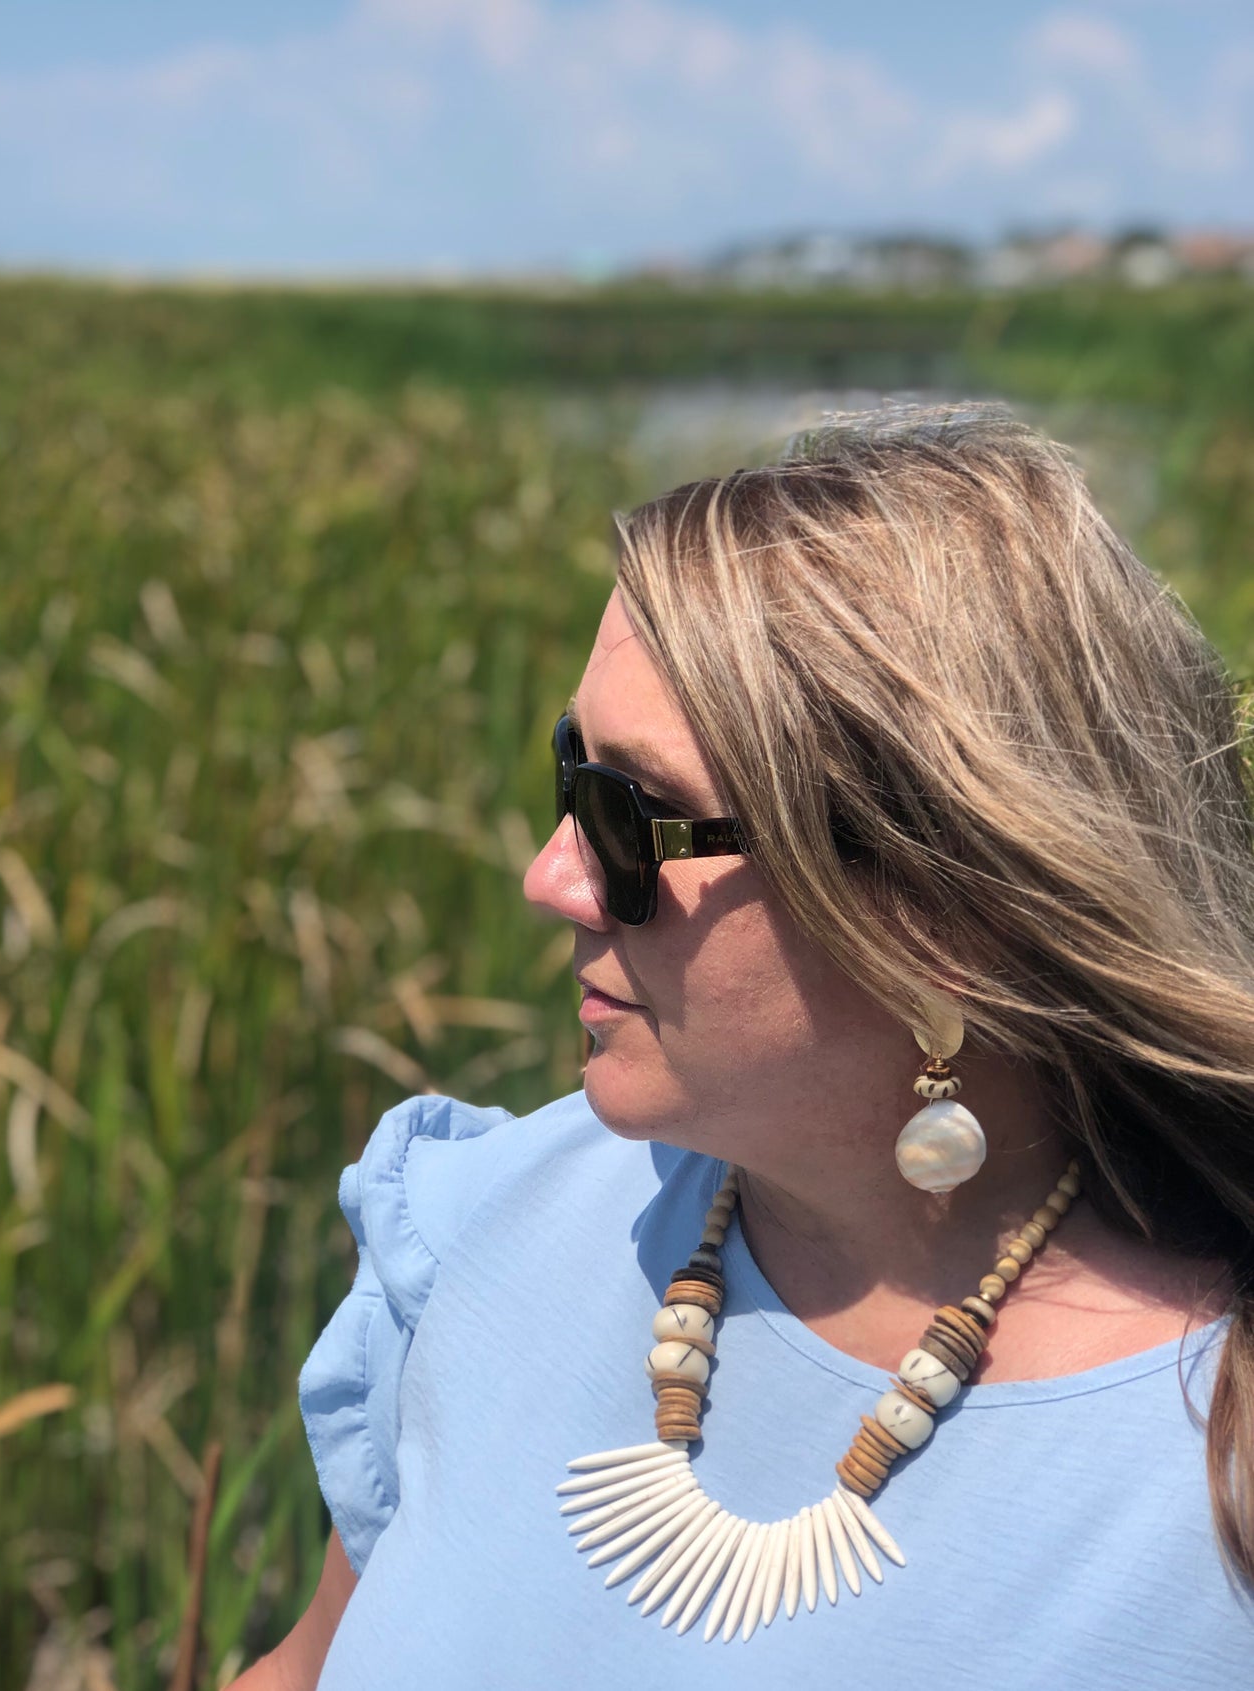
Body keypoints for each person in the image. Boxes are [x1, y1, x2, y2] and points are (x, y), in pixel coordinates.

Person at [233, 404, 1254, 1690]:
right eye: (569, 776)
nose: (552, 875)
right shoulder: (485, 1229)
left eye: (631, 813)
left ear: (942, 905)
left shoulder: (1205, 1470)